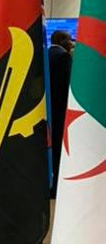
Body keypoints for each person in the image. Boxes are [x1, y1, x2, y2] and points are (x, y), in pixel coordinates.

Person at [48, 30, 73, 198]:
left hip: (46, 110)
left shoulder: (46, 53)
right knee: (58, 149)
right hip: (60, 112)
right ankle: (55, 189)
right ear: (63, 41)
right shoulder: (64, 58)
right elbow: (68, 87)